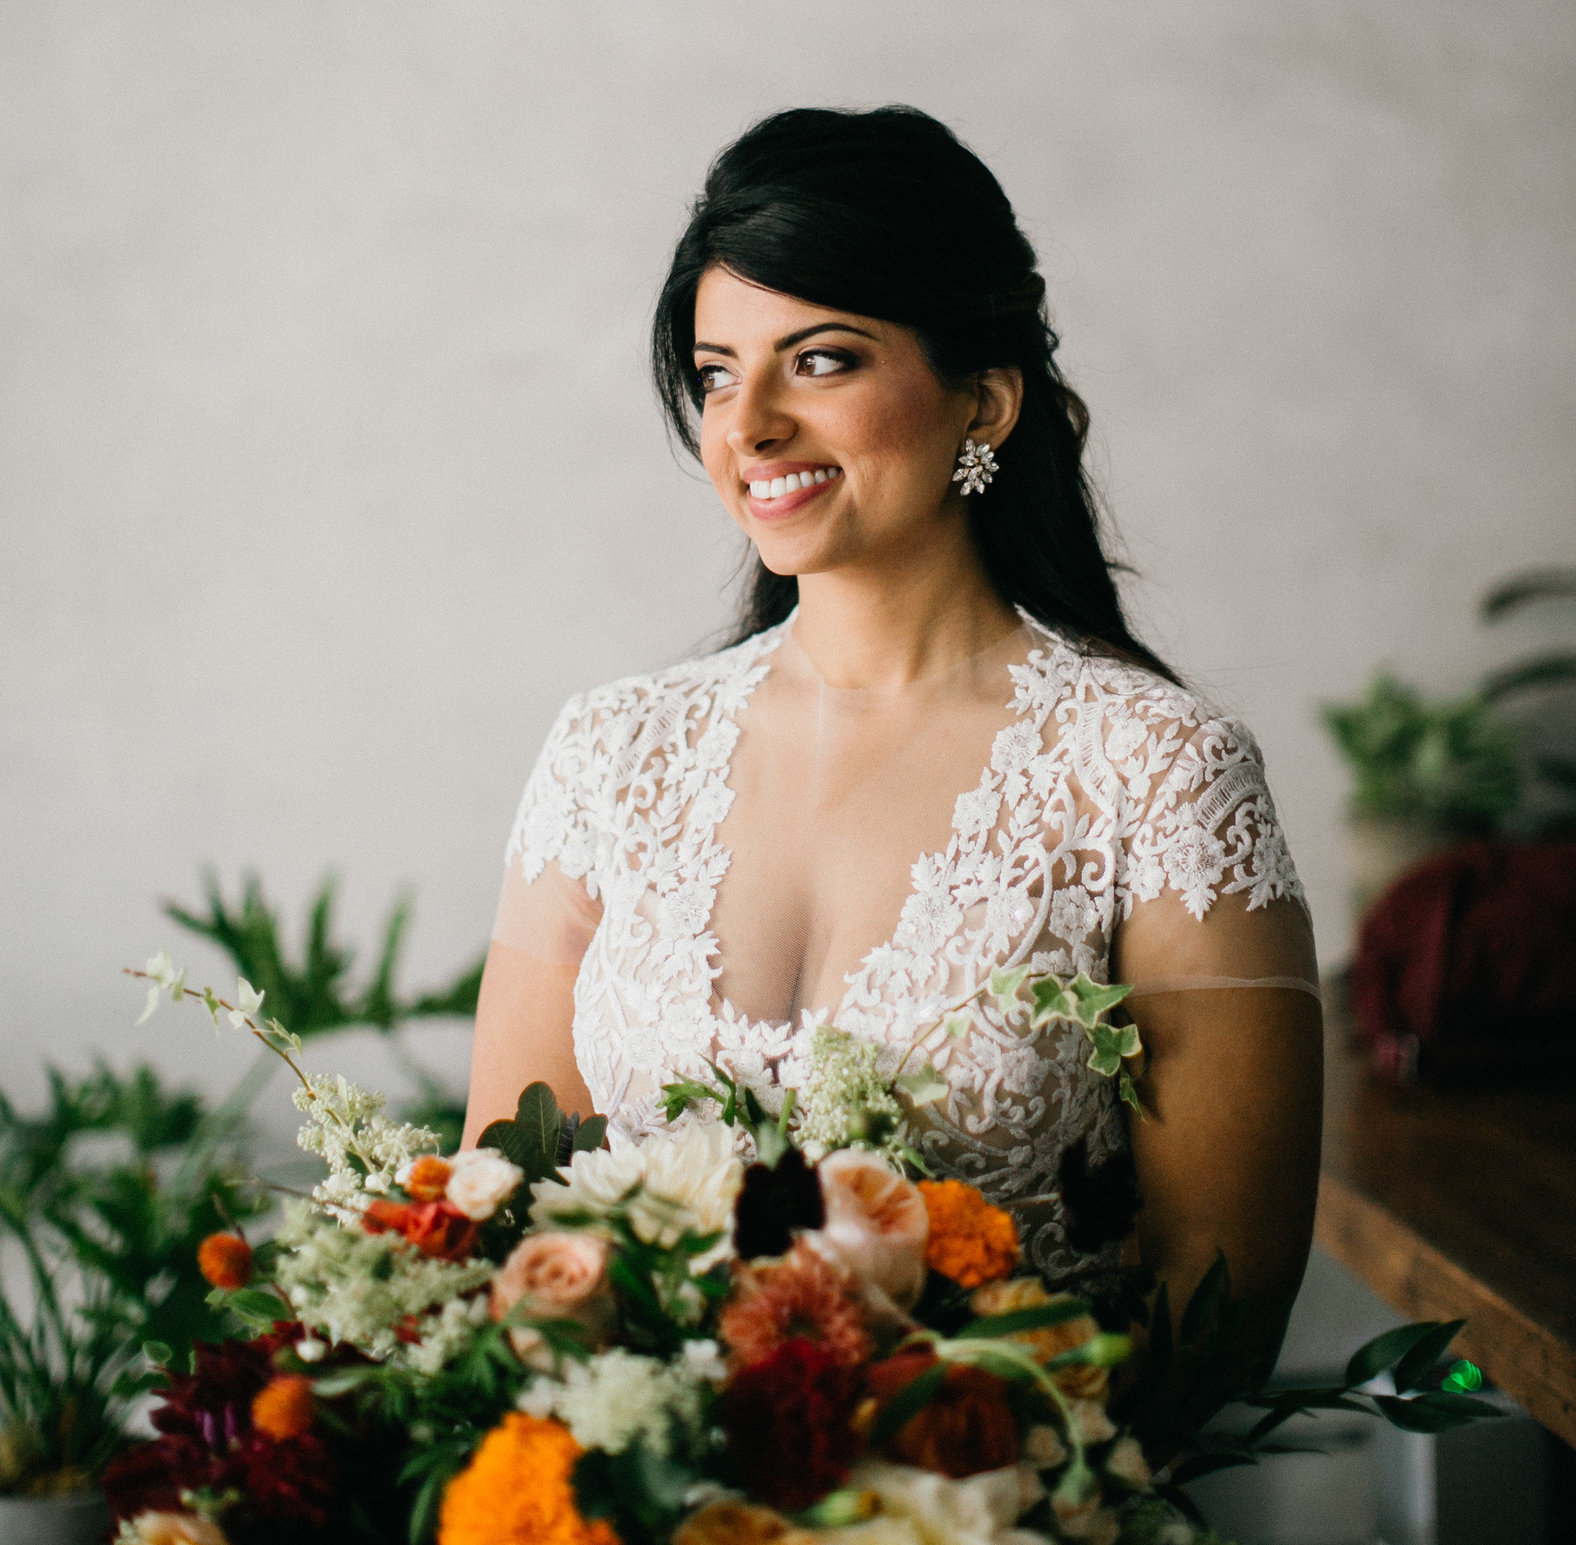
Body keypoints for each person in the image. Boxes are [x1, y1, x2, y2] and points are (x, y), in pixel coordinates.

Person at [467, 106, 1322, 1354]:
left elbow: (1218, 1321)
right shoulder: (610, 758)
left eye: (818, 359)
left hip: (1011, 1530)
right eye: (715, 372)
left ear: (982, 400)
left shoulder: (1159, 774)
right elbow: (506, 1226)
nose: (746, 423)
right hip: (641, 1528)